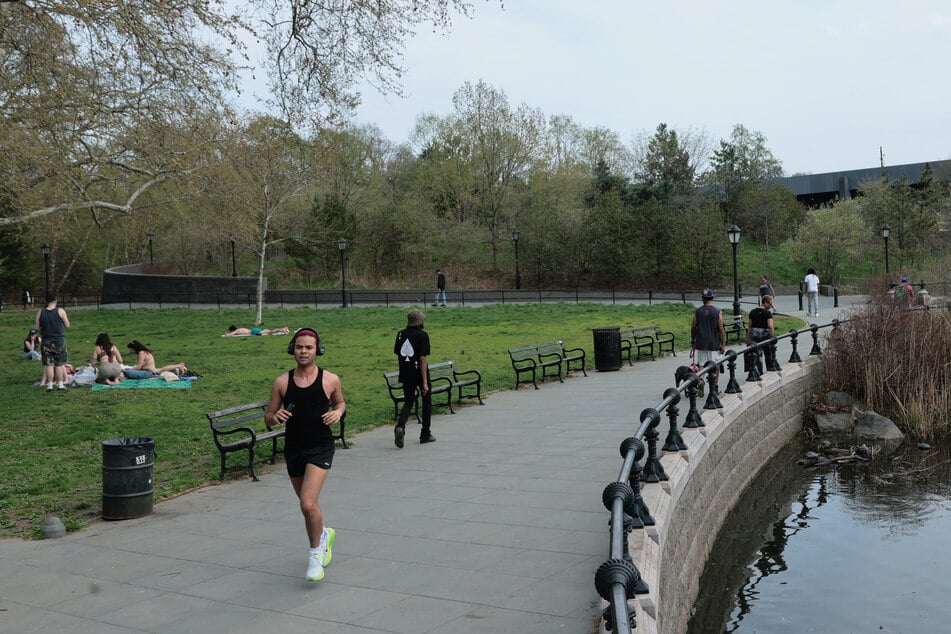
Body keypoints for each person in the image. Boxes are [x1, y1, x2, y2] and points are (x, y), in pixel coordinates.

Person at [265, 328, 345, 582]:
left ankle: (315, 556)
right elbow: (269, 415)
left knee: (308, 503)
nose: (303, 351)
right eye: (299, 347)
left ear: (317, 350)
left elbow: (340, 403)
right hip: (294, 448)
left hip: (320, 446)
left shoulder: (330, 380)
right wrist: (274, 417)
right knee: (307, 505)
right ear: (292, 349)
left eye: (308, 347)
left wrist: (338, 413)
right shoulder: (282, 382)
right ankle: (323, 535)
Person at [393, 308, 435, 447]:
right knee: (426, 401)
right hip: (419, 373)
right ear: (419, 322)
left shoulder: (400, 334)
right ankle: (425, 434)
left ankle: (400, 426)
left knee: (408, 401)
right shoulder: (422, 335)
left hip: (405, 373)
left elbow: (399, 354)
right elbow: (422, 359)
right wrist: (424, 383)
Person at [690, 288, 726, 393]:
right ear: (712, 298)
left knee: (701, 365)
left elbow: (693, 327)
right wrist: (723, 344)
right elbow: (721, 329)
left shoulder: (698, 311)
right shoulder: (717, 311)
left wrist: (693, 340)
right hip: (714, 343)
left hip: (701, 342)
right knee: (716, 366)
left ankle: (701, 380)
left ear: (703, 298)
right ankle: (715, 387)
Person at [35, 291, 71, 392]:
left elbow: (37, 328)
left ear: (46, 301)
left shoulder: (40, 312)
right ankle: (60, 385)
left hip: (46, 340)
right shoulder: (61, 311)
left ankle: (49, 385)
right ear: (55, 300)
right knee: (59, 364)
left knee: (49, 364)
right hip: (59, 340)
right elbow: (67, 325)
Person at [746, 295, 776, 376]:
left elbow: (749, 326)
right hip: (765, 336)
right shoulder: (767, 313)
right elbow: (770, 326)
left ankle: (759, 372)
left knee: (756, 354)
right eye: (770, 304)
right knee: (768, 353)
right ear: (765, 303)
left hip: (754, 335)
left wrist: (748, 338)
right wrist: (772, 336)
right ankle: (770, 369)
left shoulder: (752, 312)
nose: (770, 306)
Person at [224, 325, 291, 336]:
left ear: (232, 329)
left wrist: (227, 334)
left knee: (270, 332)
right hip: (254, 330)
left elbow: (232, 334)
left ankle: (282, 329)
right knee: (269, 331)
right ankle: (284, 329)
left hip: (254, 331)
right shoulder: (240, 329)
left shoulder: (237, 331)